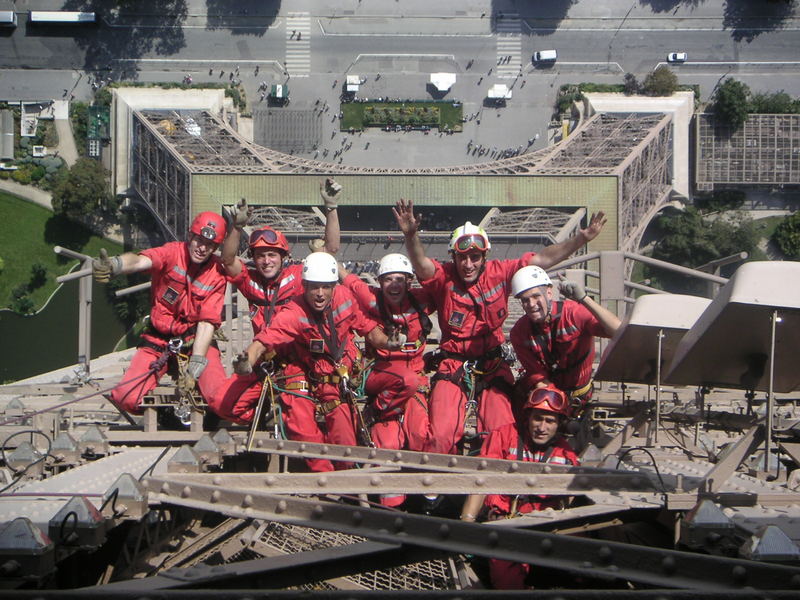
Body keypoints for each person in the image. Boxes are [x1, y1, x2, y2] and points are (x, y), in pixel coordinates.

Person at [393, 198, 606, 457]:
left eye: (474, 257)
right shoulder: (444, 278)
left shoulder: (501, 272)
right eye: (462, 258)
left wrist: (581, 238)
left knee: (501, 430)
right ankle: (441, 490)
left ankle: (494, 491)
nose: (468, 264)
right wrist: (411, 236)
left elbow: (542, 259)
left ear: (484, 256)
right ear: (454, 257)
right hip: (453, 364)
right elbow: (421, 265)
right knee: (442, 434)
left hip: (492, 366)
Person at [234, 252, 404, 472]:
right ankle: (324, 475)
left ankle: (346, 479)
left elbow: (369, 331)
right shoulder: (294, 311)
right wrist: (248, 359)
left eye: (326, 287)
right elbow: (266, 338)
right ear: (304, 286)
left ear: (334, 286)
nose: (320, 294)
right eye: (314, 287)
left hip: (339, 379)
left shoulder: (345, 298)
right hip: (307, 371)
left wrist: (388, 343)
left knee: (345, 441)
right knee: (301, 426)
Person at [214, 179, 342, 422]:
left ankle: (283, 416)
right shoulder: (250, 282)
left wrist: (331, 208)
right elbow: (228, 260)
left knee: (298, 416)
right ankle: (267, 415)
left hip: (298, 363)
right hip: (263, 361)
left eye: (272, 255)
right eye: (260, 256)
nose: (266, 261)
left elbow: (330, 251)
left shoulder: (298, 277)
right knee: (223, 405)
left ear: (284, 257)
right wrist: (236, 228)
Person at [92, 212, 229, 419]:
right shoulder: (172, 253)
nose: (202, 248)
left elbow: (207, 322)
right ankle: (168, 416)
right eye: (199, 240)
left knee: (217, 396)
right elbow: (140, 261)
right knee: (126, 397)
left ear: (215, 248)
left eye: (209, 245)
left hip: (194, 340)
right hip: (159, 339)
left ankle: (209, 414)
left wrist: (196, 366)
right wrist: (116, 265)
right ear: (190, 236)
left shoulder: (216, 273)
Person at [460, 385, 579, 589]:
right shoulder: (503, 436)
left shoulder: (565, 453)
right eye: (537, 418)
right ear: (527, 417)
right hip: (507, 526)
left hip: (546, 529)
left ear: (560, 424)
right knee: (507, 583)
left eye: (550, 421)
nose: (542, 427)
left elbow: (573, 504)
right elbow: (481, 481)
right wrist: (466, 525)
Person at [340, 253, 435, 506]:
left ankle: (424, 501)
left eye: (400, 280)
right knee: (386, 444)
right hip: (381, 376)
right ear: (380, 282)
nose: (394, 285)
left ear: (409, 282)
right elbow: (348, 280)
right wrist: (326, 255)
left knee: (419, 435)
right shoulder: (369, 298)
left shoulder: (422, 300)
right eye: (388, 279)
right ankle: (390, 512)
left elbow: (442, 284)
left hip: (414, 380)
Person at [509, 266, 621, 409]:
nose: (531, 304)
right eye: (525, 300)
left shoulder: (574, 313)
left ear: (549, 293)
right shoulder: (519, 332)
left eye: (536, 296)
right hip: (549, 396)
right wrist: (558, 405)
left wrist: (584, 299)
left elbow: (617, 331)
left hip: (582, 395)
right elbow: (538, 376)